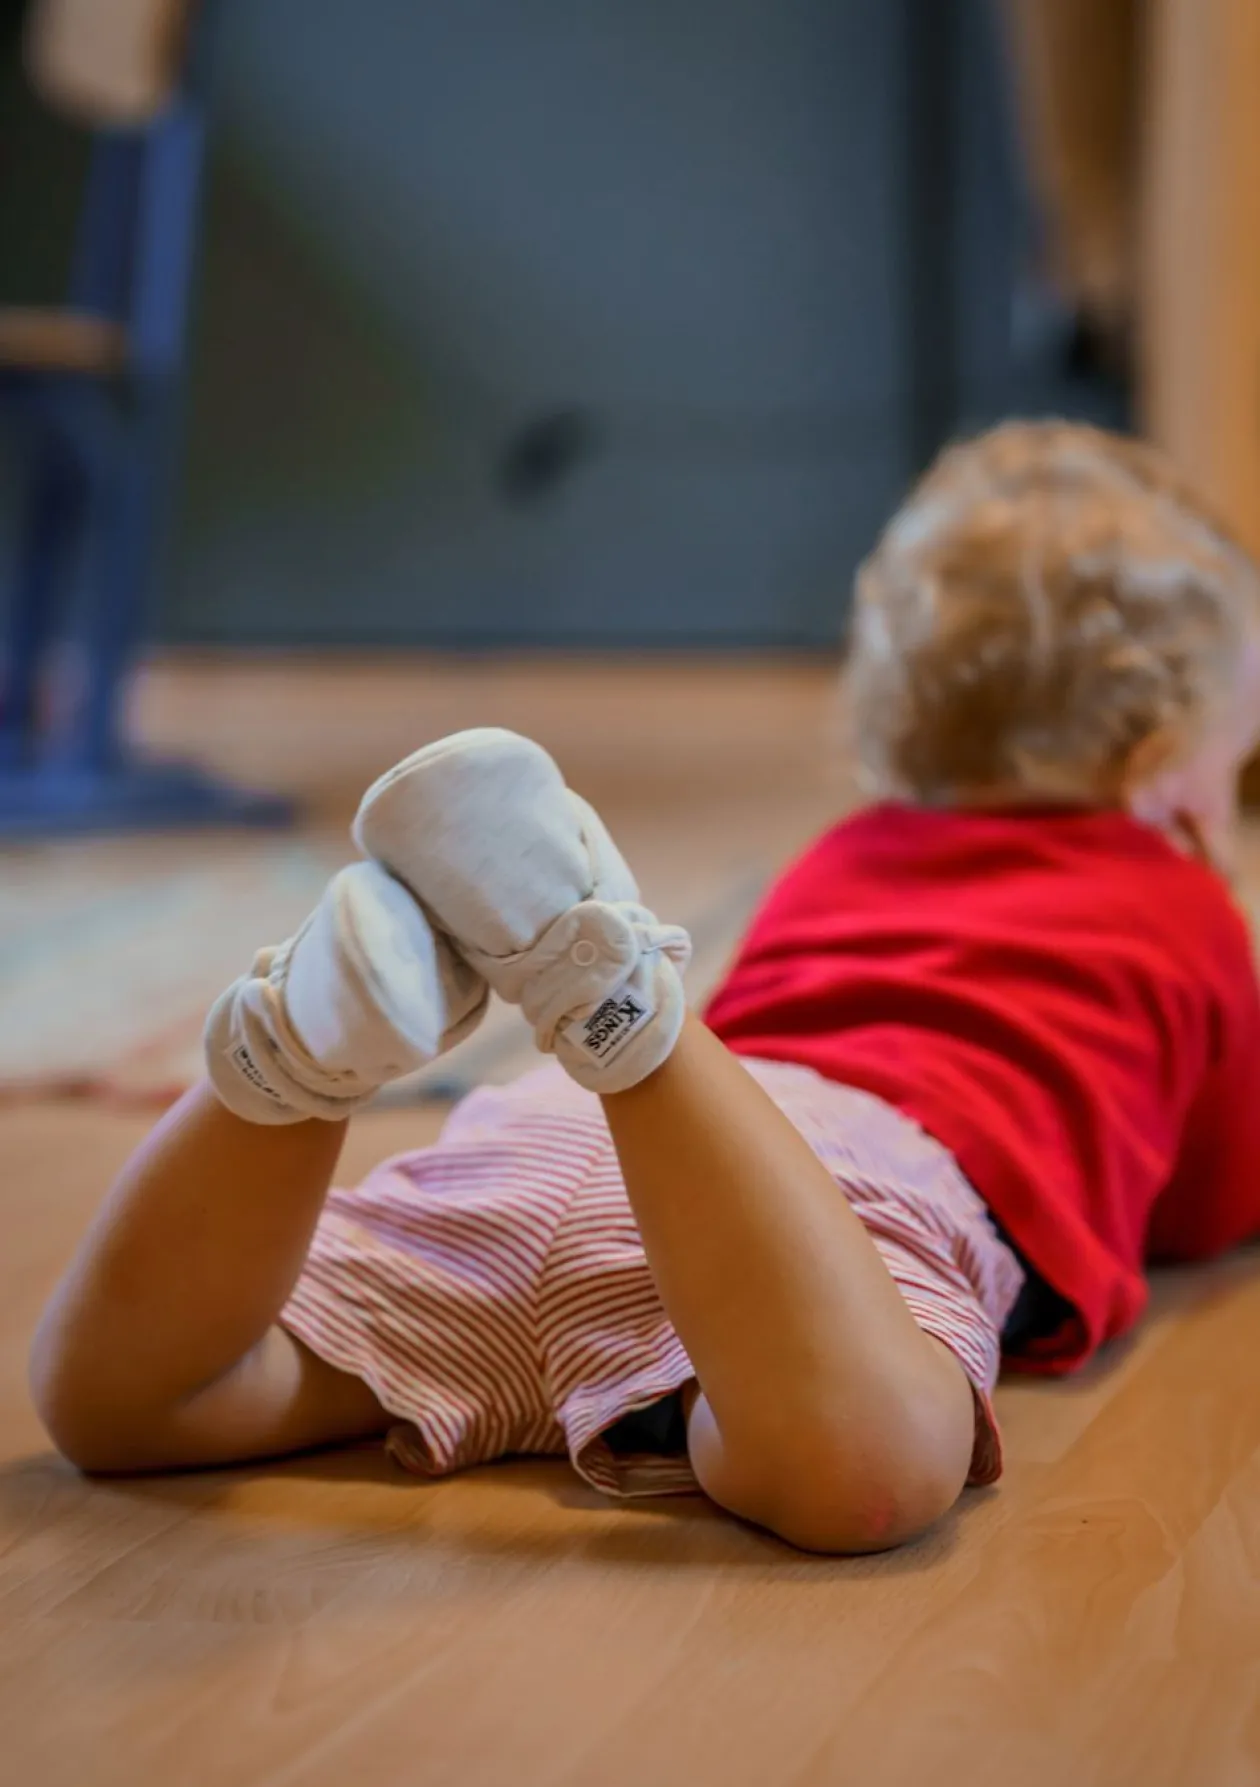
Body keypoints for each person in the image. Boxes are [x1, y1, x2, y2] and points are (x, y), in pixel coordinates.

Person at [29, 420, 1260, 1555]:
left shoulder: (842, 854)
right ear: (1163, 765)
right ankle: (619, 1003)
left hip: (562, 1135)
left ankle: (296, 1052)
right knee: (866, 1470)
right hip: (806, 1204)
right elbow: (1210, 1199)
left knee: (138, 1404)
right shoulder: (1183, 905)